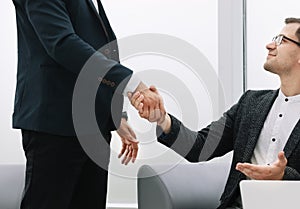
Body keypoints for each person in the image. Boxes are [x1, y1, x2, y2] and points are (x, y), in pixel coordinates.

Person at [129, 17, 300, 209]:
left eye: (281, 40)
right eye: (274, 38)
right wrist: (162, 119)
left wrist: (284, 176)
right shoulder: (250, 104)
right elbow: (200, 148)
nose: (270, 45)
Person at [12, 0, 160, 208]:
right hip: (56, 125)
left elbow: (101, 50)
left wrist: (115, 116)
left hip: (94, 128)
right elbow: (63, 44)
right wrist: (131, 83)